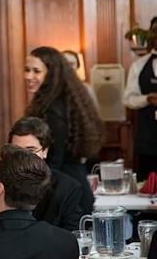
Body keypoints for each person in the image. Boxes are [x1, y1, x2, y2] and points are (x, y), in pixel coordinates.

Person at [24, 46, 104, 214]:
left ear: (52, 74)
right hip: (70, 184)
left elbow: (55, 160)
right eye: (27, 69)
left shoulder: (54, 108)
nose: (28, 76)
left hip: (65, 191)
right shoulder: (55, 102)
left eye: (36, 71)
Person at [0, 116, 84, 231]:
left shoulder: (68, 187)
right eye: (16, 151)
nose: (23, 158)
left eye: (30, 151)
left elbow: (73, 234)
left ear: (45, 151)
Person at [123, 17, 157, 180]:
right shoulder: (139, 65)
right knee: (145, 186)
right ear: (150, 35)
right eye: (155, 31)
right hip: (147, 139)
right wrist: (147, 99)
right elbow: (128, 99)